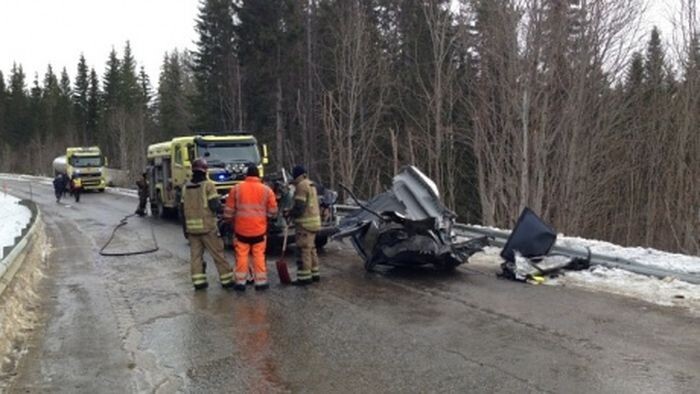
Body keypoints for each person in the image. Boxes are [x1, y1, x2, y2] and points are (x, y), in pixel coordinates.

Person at [181, 158, 234, 290]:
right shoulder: (208, 185)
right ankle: (226, 280)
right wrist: (224, 208)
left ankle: (199, 282)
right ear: (205, 171)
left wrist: (185, 228)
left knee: (196, 257)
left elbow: (182, 209)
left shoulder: (185, 187)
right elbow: (214, 205)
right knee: (218, 254)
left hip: (192, 229)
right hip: (208, 227)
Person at [224, 164, 278, 291]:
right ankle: (260, 282)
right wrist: (267, 217)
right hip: (259, 230)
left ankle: (240, 282)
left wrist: (229, 220)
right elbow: (273, 211)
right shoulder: (266, 190)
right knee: (258, 255)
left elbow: (228, 211)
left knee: (242, 255)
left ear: (246, 175)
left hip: (241, 230)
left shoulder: (236, 189)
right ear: (258, 175)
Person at [288, 165, 322, 285]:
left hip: (305, 224)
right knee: (311, 249)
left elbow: (300, 207)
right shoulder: (311, 184)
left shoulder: (301, 186)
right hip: (314, 222)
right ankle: (315, 273)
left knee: (304, 250)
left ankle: (304, 277)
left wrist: (290, 213)